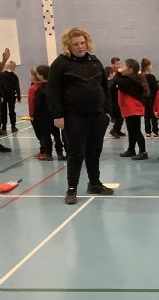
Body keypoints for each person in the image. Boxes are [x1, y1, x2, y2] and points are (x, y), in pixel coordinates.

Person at [46, 27, 114, 205]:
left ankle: (94, 183)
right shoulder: (60, 64)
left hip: (97, 116)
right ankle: (72, 189)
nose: (80, 46)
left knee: (94, 151)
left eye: (83, 43)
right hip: (73, 117)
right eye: (76, 44)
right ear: (68, 46)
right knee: (76, 153)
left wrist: (107, 112)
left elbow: (105, 87)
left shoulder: (95, 61)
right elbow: (52, 91)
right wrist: (57, 115)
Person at [115, 58, 149, 160]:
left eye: (124, 66)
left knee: (136, 130)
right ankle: (131, 149)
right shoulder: (130, 78)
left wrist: (118, 72)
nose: (122, 67)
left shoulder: (130, 80)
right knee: (131, 130)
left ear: (130, 69)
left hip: (133, 109)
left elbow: (117, 81)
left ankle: (143, 152)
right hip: (129, 109)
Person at [33, 65, 66, 161]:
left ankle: (48, 154)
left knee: (46, 136)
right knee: (57, 135)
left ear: (41, 76)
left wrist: (35, 117)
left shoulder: (40, 90)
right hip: (55, 115)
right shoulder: (55, 87)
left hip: (44, 117)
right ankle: (60, 153)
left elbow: (38, 105)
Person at [0, 60, 21, 134]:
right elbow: (17, 87)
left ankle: (4, 127)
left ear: (6, 66)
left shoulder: (1, 75)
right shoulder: (15, 76)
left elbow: (0, 86)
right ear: (14, 68)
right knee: (12, 111)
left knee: (3, 111)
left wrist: (1, 95)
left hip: (3, 96)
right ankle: (13, 127)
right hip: (11, 96)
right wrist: (19, 97)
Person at [141, 57, 159, 138]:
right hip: (152, 99)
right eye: (151, 65)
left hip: (144, 100)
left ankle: (147, 132)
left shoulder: (141, 76)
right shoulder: (151, 77)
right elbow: (156, 89)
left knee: (146, 116)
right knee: (153, 116)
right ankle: (155, 131)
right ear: (148, 66)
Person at [108, 57, 126, 138]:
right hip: (114, 99)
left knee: (121, 115)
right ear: (113, 65)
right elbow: (111, 85)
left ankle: (118, 130)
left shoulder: (119, 73)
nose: (119, 65)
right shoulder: (111, 73)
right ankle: (114, 130)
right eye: (118, 64)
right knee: (119, 116)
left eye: (120, 63)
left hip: (119, 97)